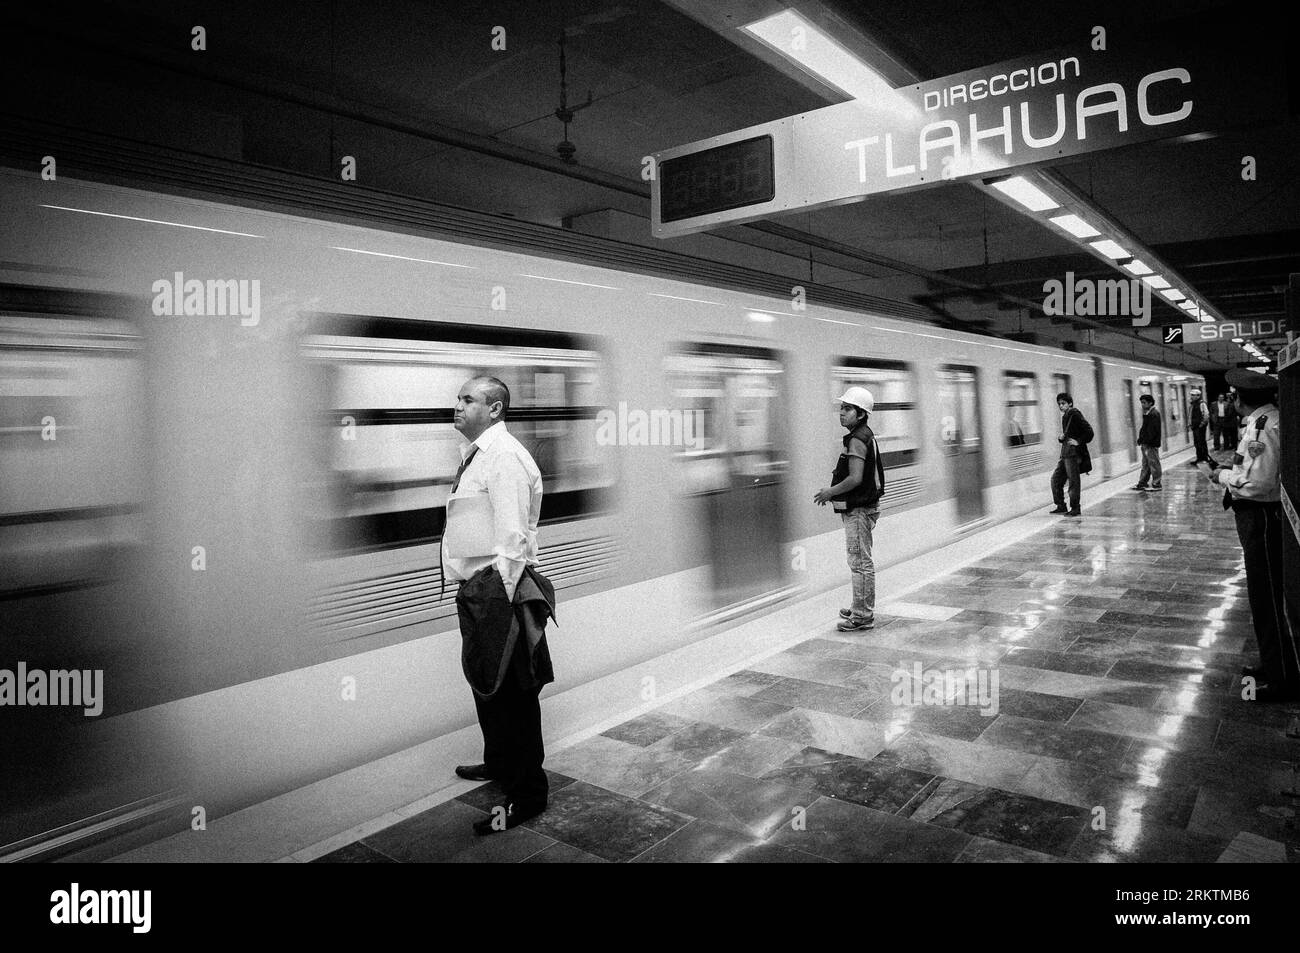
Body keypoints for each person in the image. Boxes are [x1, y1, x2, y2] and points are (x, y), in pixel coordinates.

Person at [444, 376, 555, 834]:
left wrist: (500, 601)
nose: (458, 406)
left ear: (494, 409)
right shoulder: (478, 456)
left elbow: (512, 537)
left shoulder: (503, 457)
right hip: (480, 591)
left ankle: (528, 794)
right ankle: (500, 763)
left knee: (513, 695)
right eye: (459, 399)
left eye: (468, 399)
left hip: (497, 593)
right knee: (488, 687)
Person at [1205, 369, 1298, 703]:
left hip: (1261, 518)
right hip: (1261, 518)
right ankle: (1275, 664)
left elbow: (1257, 484)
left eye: (1234, 396)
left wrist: (1222, 476)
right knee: (1264, 596)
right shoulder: (1265, 421)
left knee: (1268, 598)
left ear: (1240, 398)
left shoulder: (1263, 427)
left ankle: (1283, 679)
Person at [815, 386, 885, 632]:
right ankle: (860, 605)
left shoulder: (857, 438)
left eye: (847, 409)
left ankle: (863, 616)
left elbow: (855, 478)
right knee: (859, 560)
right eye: (841, 408)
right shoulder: (864, 434)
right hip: (864, 507)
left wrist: (829, 493)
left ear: (861, 413)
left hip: (858, 509)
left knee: (859, 562)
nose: (841, 413)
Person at [1047, 393, 1093, 517]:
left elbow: (1089, 432)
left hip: (1073, 454)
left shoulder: (1075, 414)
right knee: (1056, 479)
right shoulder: (1066, 416)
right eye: (1059, 404)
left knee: (1073, 481)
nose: (1061, 406)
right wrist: (1061, 438)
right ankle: (1061, 505)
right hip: (1065, 453)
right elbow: (1069, 433)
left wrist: (1078, 441)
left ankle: (1075, 508)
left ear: (1070, 403)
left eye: (1063, 403)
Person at [1133, 394, 1162, 491]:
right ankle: (1142, 483)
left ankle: (1157, 484)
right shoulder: (1149, 413)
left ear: (1150, 403)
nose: (1142, 404)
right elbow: (1145, 429)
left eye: (1144, 403)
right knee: (1146, 464)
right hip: (1146, 443)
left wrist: (1146, 441)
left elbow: (1152, 431)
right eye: (1141, 402)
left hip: (1150, 444)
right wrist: (1141, 439)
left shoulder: (1154, 414)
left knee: (1154, 463)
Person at [1187, 387, 1211, 464]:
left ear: (1198, 396)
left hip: (1200, 427)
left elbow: (1206, 415)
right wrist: (1190, 423)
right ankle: (1199, 458)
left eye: (1193, 395)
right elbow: (1190, 415)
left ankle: (1205, 458)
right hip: (1195, 427)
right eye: (1191, 395)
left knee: (1201, 442)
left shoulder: (1202, 404)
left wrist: (1202, 424)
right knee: (1197, 443)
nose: (1192, 396)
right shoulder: (1192, 404)